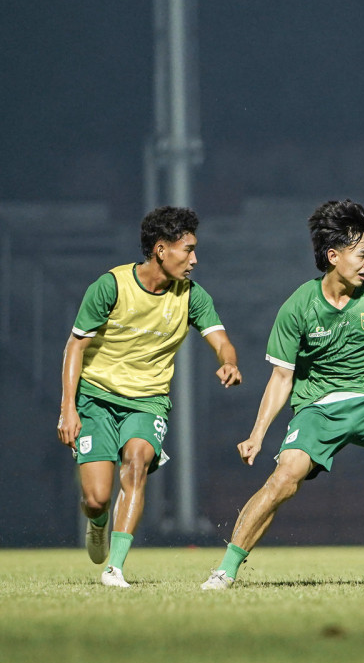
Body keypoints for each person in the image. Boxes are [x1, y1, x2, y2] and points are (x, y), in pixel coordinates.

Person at [201, 199, 364, 589]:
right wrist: (257, 434)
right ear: (333, 255)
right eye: (361, 255)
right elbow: (281, 378)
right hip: (318, 409)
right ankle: (225, 570)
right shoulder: (299, 306)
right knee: (283, 481)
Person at [57, 206, 242, 587]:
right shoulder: (111, 286)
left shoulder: (192, 296)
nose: (194, 259)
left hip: (147, 401)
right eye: (187, 250)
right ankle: (97, 522)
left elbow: (221, 340)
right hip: (96, 398)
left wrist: (228, 362)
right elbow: (75, 347)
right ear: (161, 249)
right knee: (96, 498)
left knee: (137, 461)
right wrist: (68, 409)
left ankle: (116, 568)